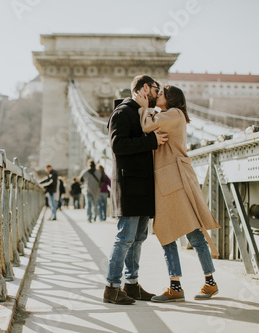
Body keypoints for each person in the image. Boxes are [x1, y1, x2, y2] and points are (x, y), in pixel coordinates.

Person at [136, 85, 220, 302]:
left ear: (171, 98)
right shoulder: (170, 115)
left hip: (176, 181)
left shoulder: (173, 114)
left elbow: (146, 126)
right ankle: (178, 286)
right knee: (167, 233)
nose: (157, 96)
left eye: (160, 94)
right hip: (167, 181)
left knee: (191, 233)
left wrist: (144, 107)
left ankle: (205, 283)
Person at [103, 74, 168, 305]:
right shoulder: (122, 113)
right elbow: (117, 145)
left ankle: (131, 285)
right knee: (125, 238)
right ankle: (111, 287)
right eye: (155, 89)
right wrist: (151, 141)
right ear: (143, 88)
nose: (157, 93)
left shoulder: (142, 113)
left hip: (142, 186)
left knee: (139, 238)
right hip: (130, 186)